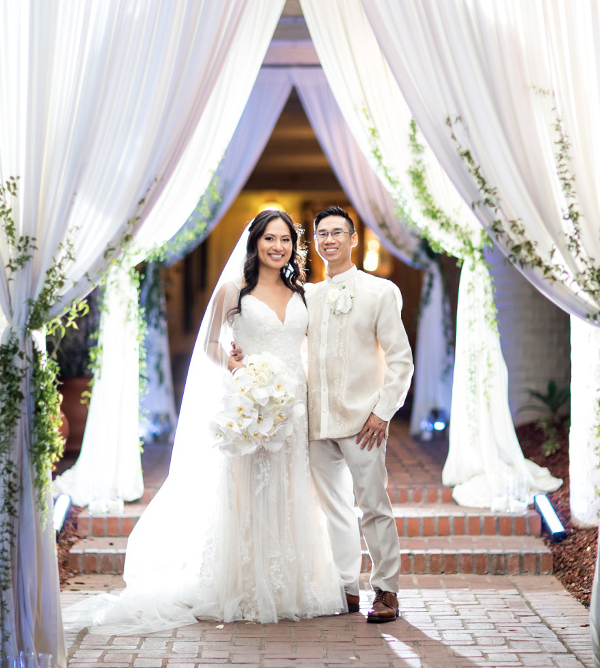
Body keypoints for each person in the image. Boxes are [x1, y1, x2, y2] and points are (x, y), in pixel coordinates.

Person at [63, 210, 345, 635]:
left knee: (295, 491)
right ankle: (248, 586)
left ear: (293, 245)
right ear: (255, 244)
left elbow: (314, 348)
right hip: (252, 407)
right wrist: (237, 371)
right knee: (252, 489)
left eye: (285, 240)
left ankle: (296, 586)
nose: (277, 247)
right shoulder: (234, 291)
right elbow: (211, 344)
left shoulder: (302, 292)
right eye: (269, 239)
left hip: (297, 409)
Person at [306, 206, 414, 623]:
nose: (329, 239)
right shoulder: (309, 296)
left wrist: (383, 412)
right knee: (334, 510)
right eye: (322, 234)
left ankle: (386, 590)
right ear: (315, 243)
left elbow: (400, 359)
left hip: (363, 422)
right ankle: (345, 588)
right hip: (317, 421)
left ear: (353, 240)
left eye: (337, 232)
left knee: (373, 505)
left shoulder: (379, 292)